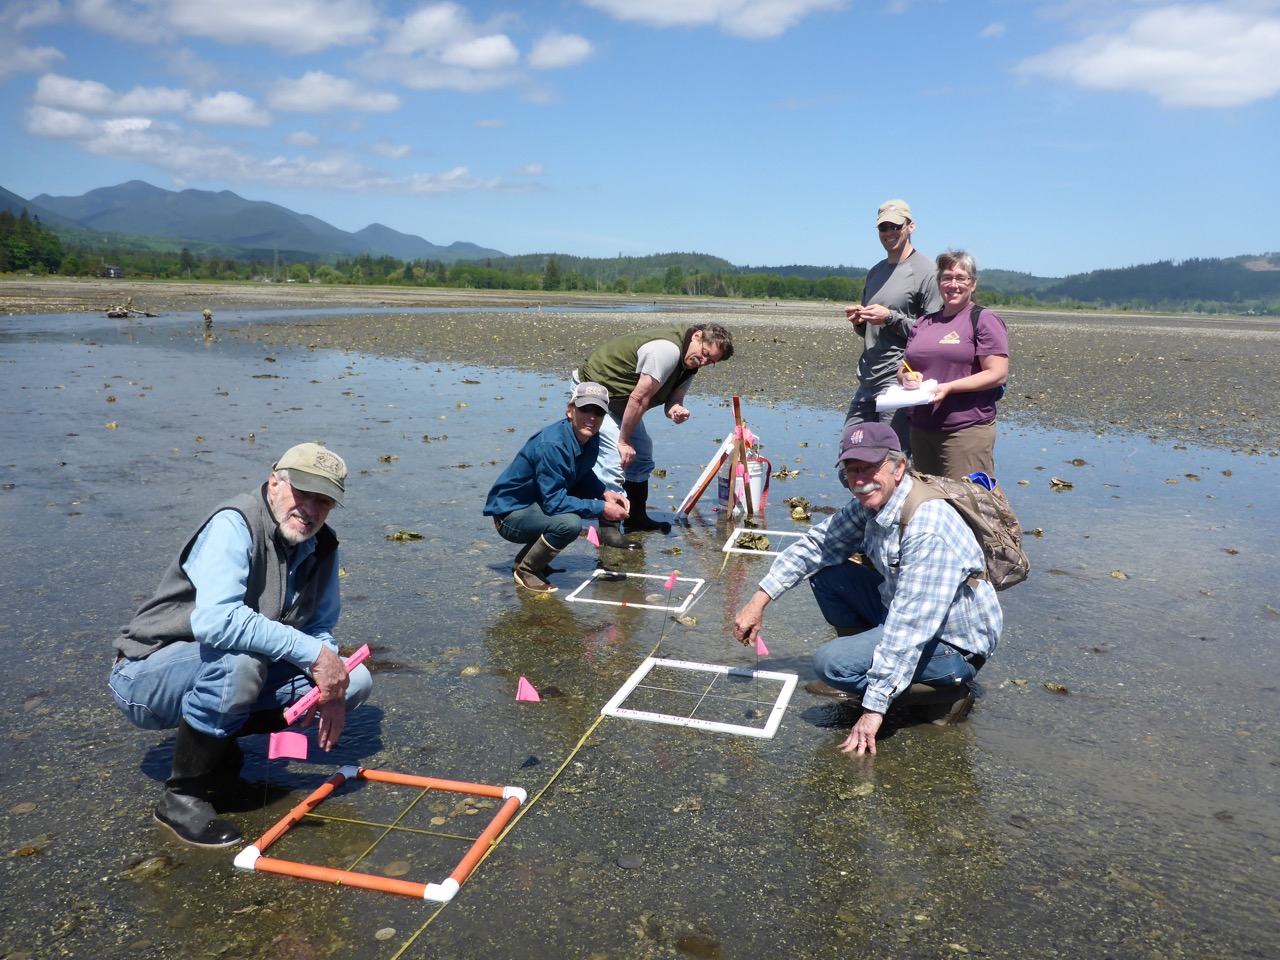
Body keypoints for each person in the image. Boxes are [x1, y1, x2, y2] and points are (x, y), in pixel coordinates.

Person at [109, 442, 373, 847]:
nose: (311, 510)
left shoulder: (323, 546)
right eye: (302, 494)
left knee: (354, 680)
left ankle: (219, 756)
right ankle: (184, 795)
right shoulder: (234, 524)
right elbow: (218, 622)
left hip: (227, 666)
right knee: (240, 663)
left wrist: (330, 681)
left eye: (324, 502)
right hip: (146, 674)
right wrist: (316, 656)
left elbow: (319, 628)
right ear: (274, 482)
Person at [732, 422, 1000, 755]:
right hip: (905, 612)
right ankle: (868, 669)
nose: (859, 481)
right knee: (829, 573)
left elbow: (910, 628)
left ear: (899, 467)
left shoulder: (927, 527)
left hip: (955, 643)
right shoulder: (874, 502)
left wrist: (873, 711)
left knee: (831, 664)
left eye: (870, 468)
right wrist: (759, 599)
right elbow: (817, 545)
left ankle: (948, 694)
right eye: (851, 470)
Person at [575, 322, 734, 547]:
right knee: (614, 458)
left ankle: (636, 517)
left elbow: (673, 400)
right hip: (596, 393)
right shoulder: (667, 350)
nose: (704, 362)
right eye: (705, 354)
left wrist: (675, 410)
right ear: (697, 336)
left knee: (642, 453)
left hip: (622, 401)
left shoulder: (691, 363)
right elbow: (639, 398)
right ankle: (608, 528)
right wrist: (622, 441)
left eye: (711, 361)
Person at [483, 382, 630, 593]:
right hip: (509, 515)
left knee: (569, 514)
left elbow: (582, 472)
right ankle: (527, 570)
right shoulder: (552, 445)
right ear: (570, 411)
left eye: (598, 411)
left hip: (535, 504)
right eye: (585, 409)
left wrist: (605, 493)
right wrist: (601, 508)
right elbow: (554, 503)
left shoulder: (589, 436)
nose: (591, 416)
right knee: (569, 523)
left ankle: (527, 560)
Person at [843, 199, 943, 455]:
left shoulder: (926, 272)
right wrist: (860, 322)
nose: (889, 233)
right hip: (867, 377)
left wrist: (890, 317)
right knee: (851, 455)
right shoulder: (875, 272)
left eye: (895, 227)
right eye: (883, 228)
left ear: (911, 227)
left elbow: (933, 333)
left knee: (891, 460)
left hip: (899, 381)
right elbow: (870, 331)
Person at [899, 250, 1009, 478]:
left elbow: (997, 374)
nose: (953, 284)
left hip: (965, 431)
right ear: (939, 283)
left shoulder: (983, 319)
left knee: (969, 502)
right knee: (928, 505)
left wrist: (949, 387)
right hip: (920, 429)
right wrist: (906, 377)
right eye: (947, 277)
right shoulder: (923, 323)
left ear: (973, 284)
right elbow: (905, 366)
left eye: (961, 278)